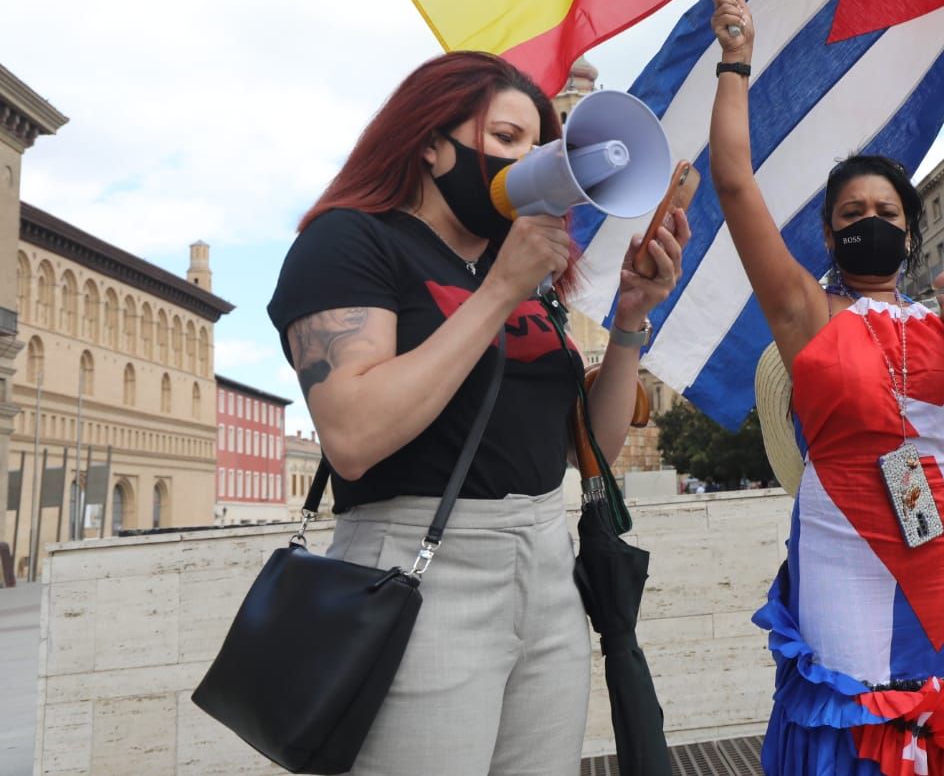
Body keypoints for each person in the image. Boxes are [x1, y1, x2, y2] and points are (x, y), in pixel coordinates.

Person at [266, 50, 688, 776]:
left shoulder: (522, 271)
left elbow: (586, 451)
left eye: (538, 144)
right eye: (505, 138)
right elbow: (353, 435)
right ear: (430, 144)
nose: (528, 159)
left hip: (545, 571)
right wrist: (501, 289)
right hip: (416, 572)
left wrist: (628, 324)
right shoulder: (350, 242)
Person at [707, 0, 944, 775]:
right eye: (852, 211)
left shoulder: (943, 318)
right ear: (828, 232)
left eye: (886, 209)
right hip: (842, 548)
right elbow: (736, 184)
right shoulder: (804, 312)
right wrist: (736, 63)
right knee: (853, 720)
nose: (869, 220)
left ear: (911, 230)